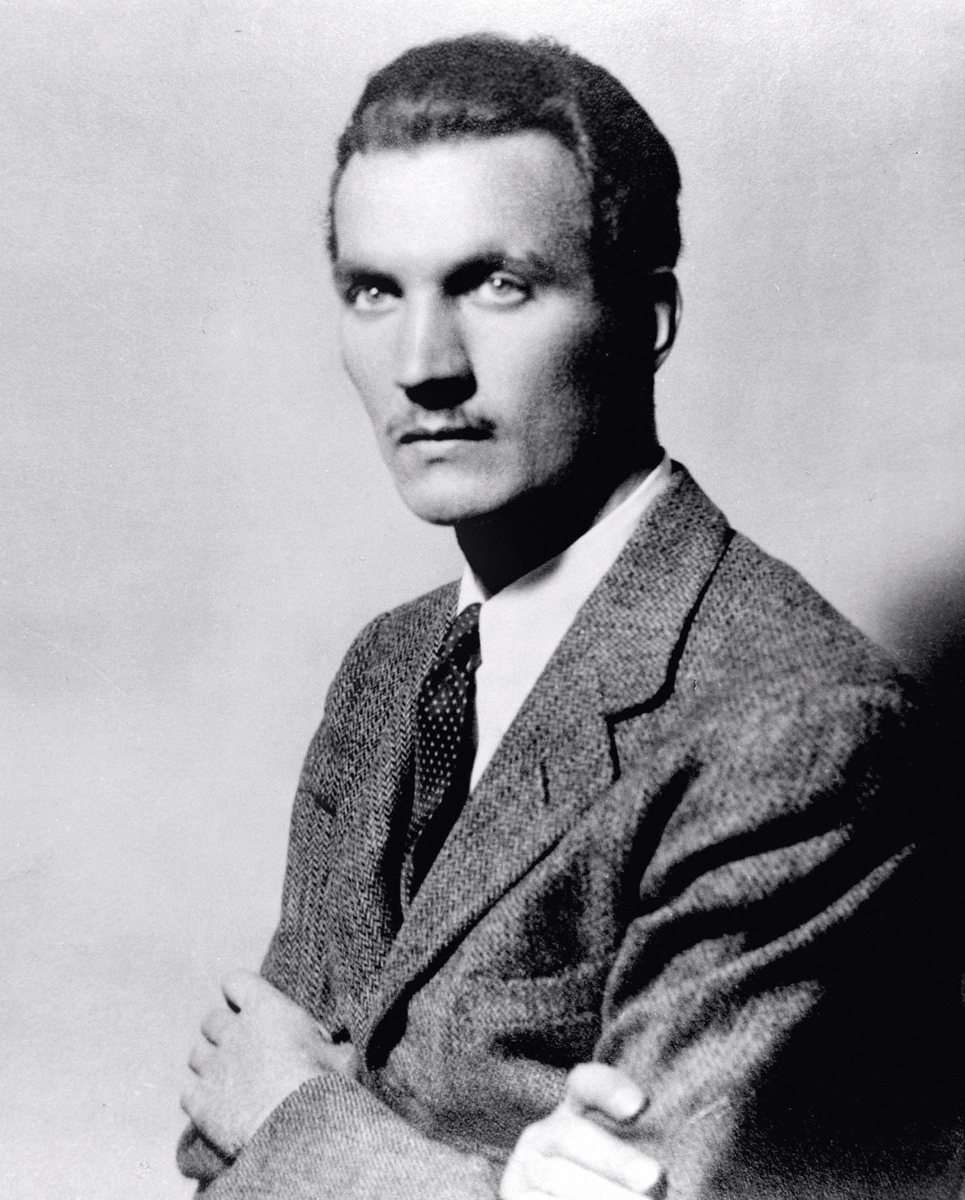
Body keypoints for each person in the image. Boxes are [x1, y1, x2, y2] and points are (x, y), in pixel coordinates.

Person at [177, 34, 963, 1199]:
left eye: (497, 284)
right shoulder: (389, 669)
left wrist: (300, 1116)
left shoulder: (804, 730)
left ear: (646, 318)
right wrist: (498, 1180)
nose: (423, 364)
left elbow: (264, 1119)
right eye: (375, 291)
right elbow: (213, 1154)